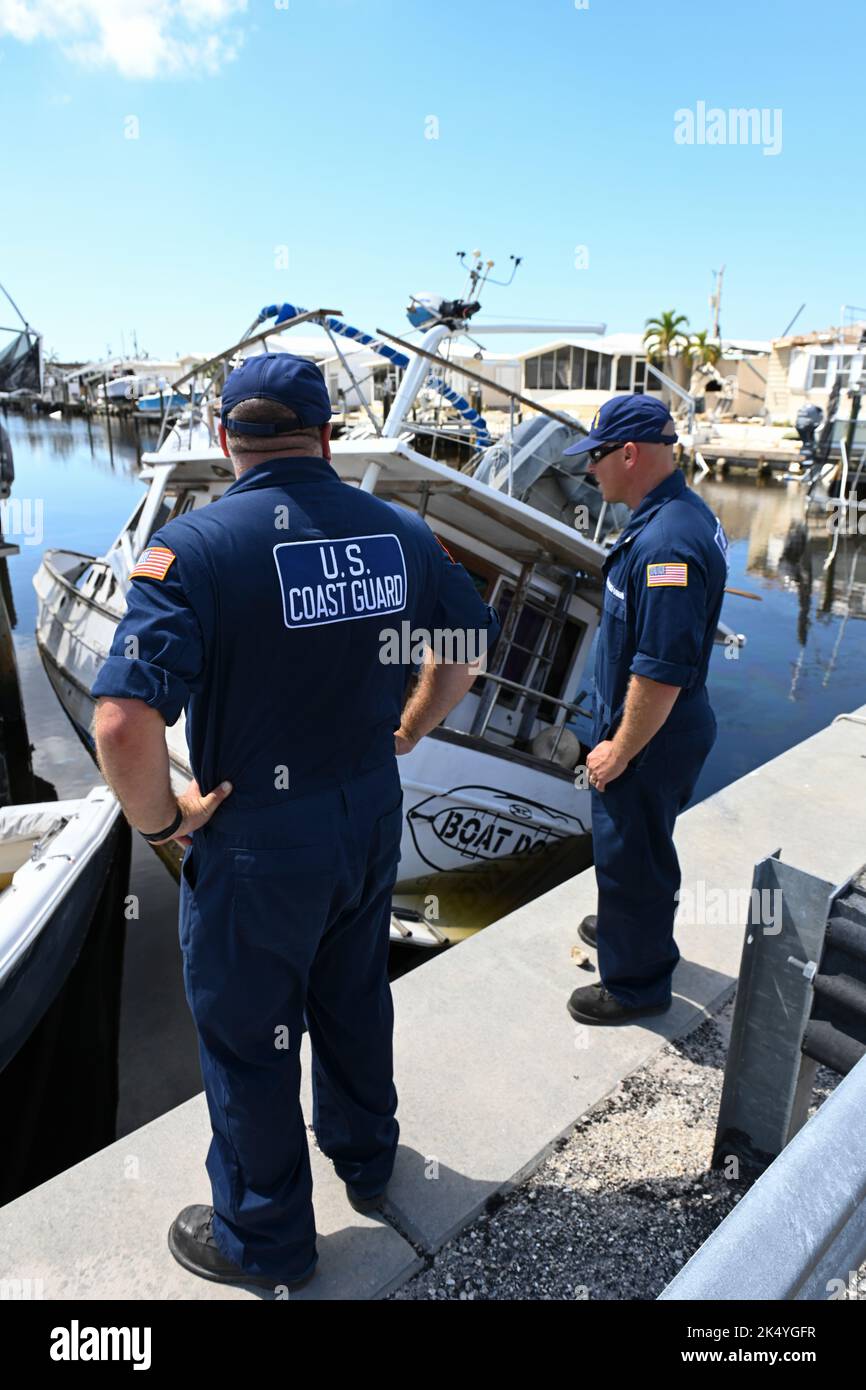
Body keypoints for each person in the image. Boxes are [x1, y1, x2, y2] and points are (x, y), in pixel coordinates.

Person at [92, 352, 499, 1292]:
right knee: (353, 994)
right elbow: (468, 645)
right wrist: (411, 726)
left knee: (247, 1033)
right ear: (327, 436)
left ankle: (264, 1241)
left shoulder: (194, 549)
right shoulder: (399, 531)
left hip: (258, 836)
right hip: (364, 816)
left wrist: (163, 826)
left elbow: (120, 720)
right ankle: (365, 1157)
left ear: (228, 438)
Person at [563, 395, 728, 1026]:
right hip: (660, 724)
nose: (589, 471)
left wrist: (619, 748)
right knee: (636, 848)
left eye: (597, 457)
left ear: (629, 454)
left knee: (635, 853)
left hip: (653, 734)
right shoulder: (668, 516)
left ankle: (636, 985)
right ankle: (631, 931)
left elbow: (659, 671)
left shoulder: (666, 546)